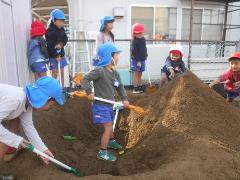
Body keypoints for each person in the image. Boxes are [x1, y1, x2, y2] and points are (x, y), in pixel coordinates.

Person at [81, 43, 129, 162]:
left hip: (109, 105)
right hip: (100, 106)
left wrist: (124, 99)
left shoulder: (115, 73)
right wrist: (89, 92)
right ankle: (102, 152)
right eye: (116, 55)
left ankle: (111, 142)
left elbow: (120, 87)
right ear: (110, 57)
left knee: (110, 123)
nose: (118, 57)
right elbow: (84, 79)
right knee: (108, 127)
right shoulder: (100, 71)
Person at [0, 76, 64, 164]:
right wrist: (16, 140)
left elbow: (29, 127)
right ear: (47, 100)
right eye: (51, 105)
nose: (49, 107)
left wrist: (42, 149)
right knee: (7, 136)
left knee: (13, 123)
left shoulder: (27, 103)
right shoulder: (16, 99)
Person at [45, 9, 68, 86]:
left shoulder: (62, 29)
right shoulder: (49, 31)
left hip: (61, 54)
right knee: (54, 72)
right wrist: (56, 55)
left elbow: (65, 39)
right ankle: (54, 88)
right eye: (60, 21)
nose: (62, 23)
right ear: (54, 20)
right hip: (52, 56)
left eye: (63, 21)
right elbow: (50, 46)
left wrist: (61, 44)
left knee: (61, 72)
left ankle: (62, 89)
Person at [131, 23, 148, 93]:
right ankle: (135, 88)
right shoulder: (134, 42)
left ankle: (139, 86)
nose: (140, 34)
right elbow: (134, 52)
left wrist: (145, 55)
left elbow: (144, 48)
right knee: (136, 74)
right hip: (136, 60)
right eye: (138, 33)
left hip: (143, 59)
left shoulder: (143, 39)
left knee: (140, 74)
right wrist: (138, 61)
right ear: (134, 34)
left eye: (141, 33)